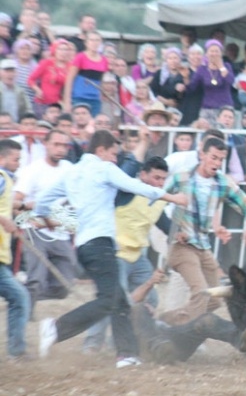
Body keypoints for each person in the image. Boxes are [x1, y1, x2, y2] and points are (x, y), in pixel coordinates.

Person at [35, 130, 188, 368]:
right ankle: (56, 328)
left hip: (84, 246)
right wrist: (173, 198)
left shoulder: (71, 173)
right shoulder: (104, 169)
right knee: (109, 300)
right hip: (101, 244)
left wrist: (45, 220)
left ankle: (127, 355)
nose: (115, 159)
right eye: (113, 154)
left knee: (119, 301)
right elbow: (138, 187)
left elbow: (42, 202)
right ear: (101, 150)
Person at [158, 137, 246, 326]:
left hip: (203, 246)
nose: (217, 163)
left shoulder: (222, 182)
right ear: (202, 155)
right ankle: (184, 334)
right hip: (181, 245)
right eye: (213, 157)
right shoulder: (181, 177)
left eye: (221, 159)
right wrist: (172, 231)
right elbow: (156, 201)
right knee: (202, 293)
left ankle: (165, 323)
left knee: (215, 299)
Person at [82, 156, 173, 354]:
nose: (159, 183)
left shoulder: (157, 200)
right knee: (111, 300)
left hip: (138, 256)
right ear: (142, 175)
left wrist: (178, 233)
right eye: (156, 178)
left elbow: (164, 223)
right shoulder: (125, 192)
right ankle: (92, 342)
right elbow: (128, 166)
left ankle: (121, 339)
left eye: (162, 179)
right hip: (115, 254)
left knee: (152, 299)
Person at [13, 129, 75, 319]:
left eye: (64, 145)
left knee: (65, 286)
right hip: (35, 231)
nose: (60, 149)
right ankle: (25, 314)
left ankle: (19, 295)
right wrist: (29, 217)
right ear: (46, 145)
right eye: (56, 144)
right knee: (36, 279)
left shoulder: (70, 169)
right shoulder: (33, 170)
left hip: (60, 231)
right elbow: (14, 202)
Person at [0, 139, 31, 361]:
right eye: (15, 159)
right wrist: (3, 219)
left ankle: (16, 350)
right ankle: (16, 350)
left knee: (19, 297)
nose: (18, 164)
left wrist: (21, 208)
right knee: (19, 298)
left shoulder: (6, 181)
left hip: (2, 255)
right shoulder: (1, 178)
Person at [184, 39, 235, 126]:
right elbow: (192, 88)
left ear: (221, 53)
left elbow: (230, 81)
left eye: (217, 51)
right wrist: (185, 78)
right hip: (207, 108)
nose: (214, 54)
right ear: (206, 54)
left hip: (225, 109)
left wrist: (221, 67)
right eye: (211, 51)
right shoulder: (202, 69)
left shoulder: (227, 66)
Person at [63, 31, 108, 115]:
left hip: (95, 99)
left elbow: (101, 81)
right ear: (86, 43)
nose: (94, 43)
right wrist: (67, 101)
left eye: (97, 40)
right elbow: (70, 79)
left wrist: (100, 97)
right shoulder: (80, 57)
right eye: (92, 40)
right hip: (79, 97)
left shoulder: (104, 60)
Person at [28, 39, 71, 118]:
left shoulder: (70, 66)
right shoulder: (46, 63)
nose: (63, 52)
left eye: (66, 49)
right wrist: (37, 90)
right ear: (55, 50)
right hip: (42, 103)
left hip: (57, 105)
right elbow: (31, 80)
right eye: (60, 49)